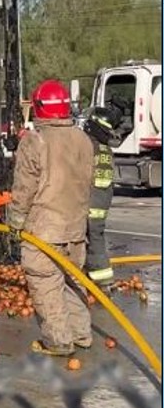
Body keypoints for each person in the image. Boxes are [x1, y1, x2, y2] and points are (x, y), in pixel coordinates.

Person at [6, 79, 95, 357]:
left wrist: (15, 223)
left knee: (46, 283)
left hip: (43, 231)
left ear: (39, 108)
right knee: (72, 282)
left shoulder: (35, 141)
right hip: (76, 230)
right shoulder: (83, 139)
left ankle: (58, 341)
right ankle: (81, 334)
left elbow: (23, 189)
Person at [81, 105, 124, 287]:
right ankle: (95, 277)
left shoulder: (91, 146)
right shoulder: (104, 147)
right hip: (101, 200)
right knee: (94, 236)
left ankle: (102, 283)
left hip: (91, 201)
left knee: (92, 239)